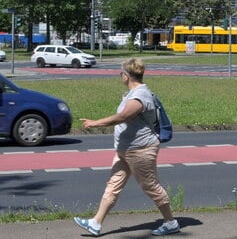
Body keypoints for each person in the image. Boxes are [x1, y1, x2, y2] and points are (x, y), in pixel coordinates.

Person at [73, 58, 180, 237]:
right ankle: (96, 223)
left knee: (150, 186)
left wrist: (95, 123)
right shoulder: (133, 93)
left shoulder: (140, 95)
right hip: (125, 149)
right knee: (113, 184)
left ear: (126, 76)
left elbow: (123, 116)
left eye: (120, 73)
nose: (120, 77)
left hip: (140, 149)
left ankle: (171, 222)